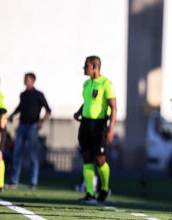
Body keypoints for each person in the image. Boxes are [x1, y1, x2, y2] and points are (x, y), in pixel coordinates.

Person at [74, 55, 117, 203]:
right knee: (86, 159)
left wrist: (110, 129)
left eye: (86, 65)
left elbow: (114, 108)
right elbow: (87, 102)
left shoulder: (106, 83)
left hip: (99, 126)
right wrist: (79, 112)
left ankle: (105, 189)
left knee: (100, 160)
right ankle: (89, 193)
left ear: (94, 66)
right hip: (85, 125)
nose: (83, 68)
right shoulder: (86, 84)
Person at [8, 72, 51, 189]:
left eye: (27, 79)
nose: (25, 81)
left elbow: (48, 110)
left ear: (33, 80)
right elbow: (20, 107)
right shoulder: (22, 94)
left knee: (33, 155)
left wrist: (41, 121)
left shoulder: (38, 94)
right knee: (16, 153)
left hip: (33, 127)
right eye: (24, 79)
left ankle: (33, 182)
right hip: (21, 126)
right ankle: (14, 181)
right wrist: (12, 115)